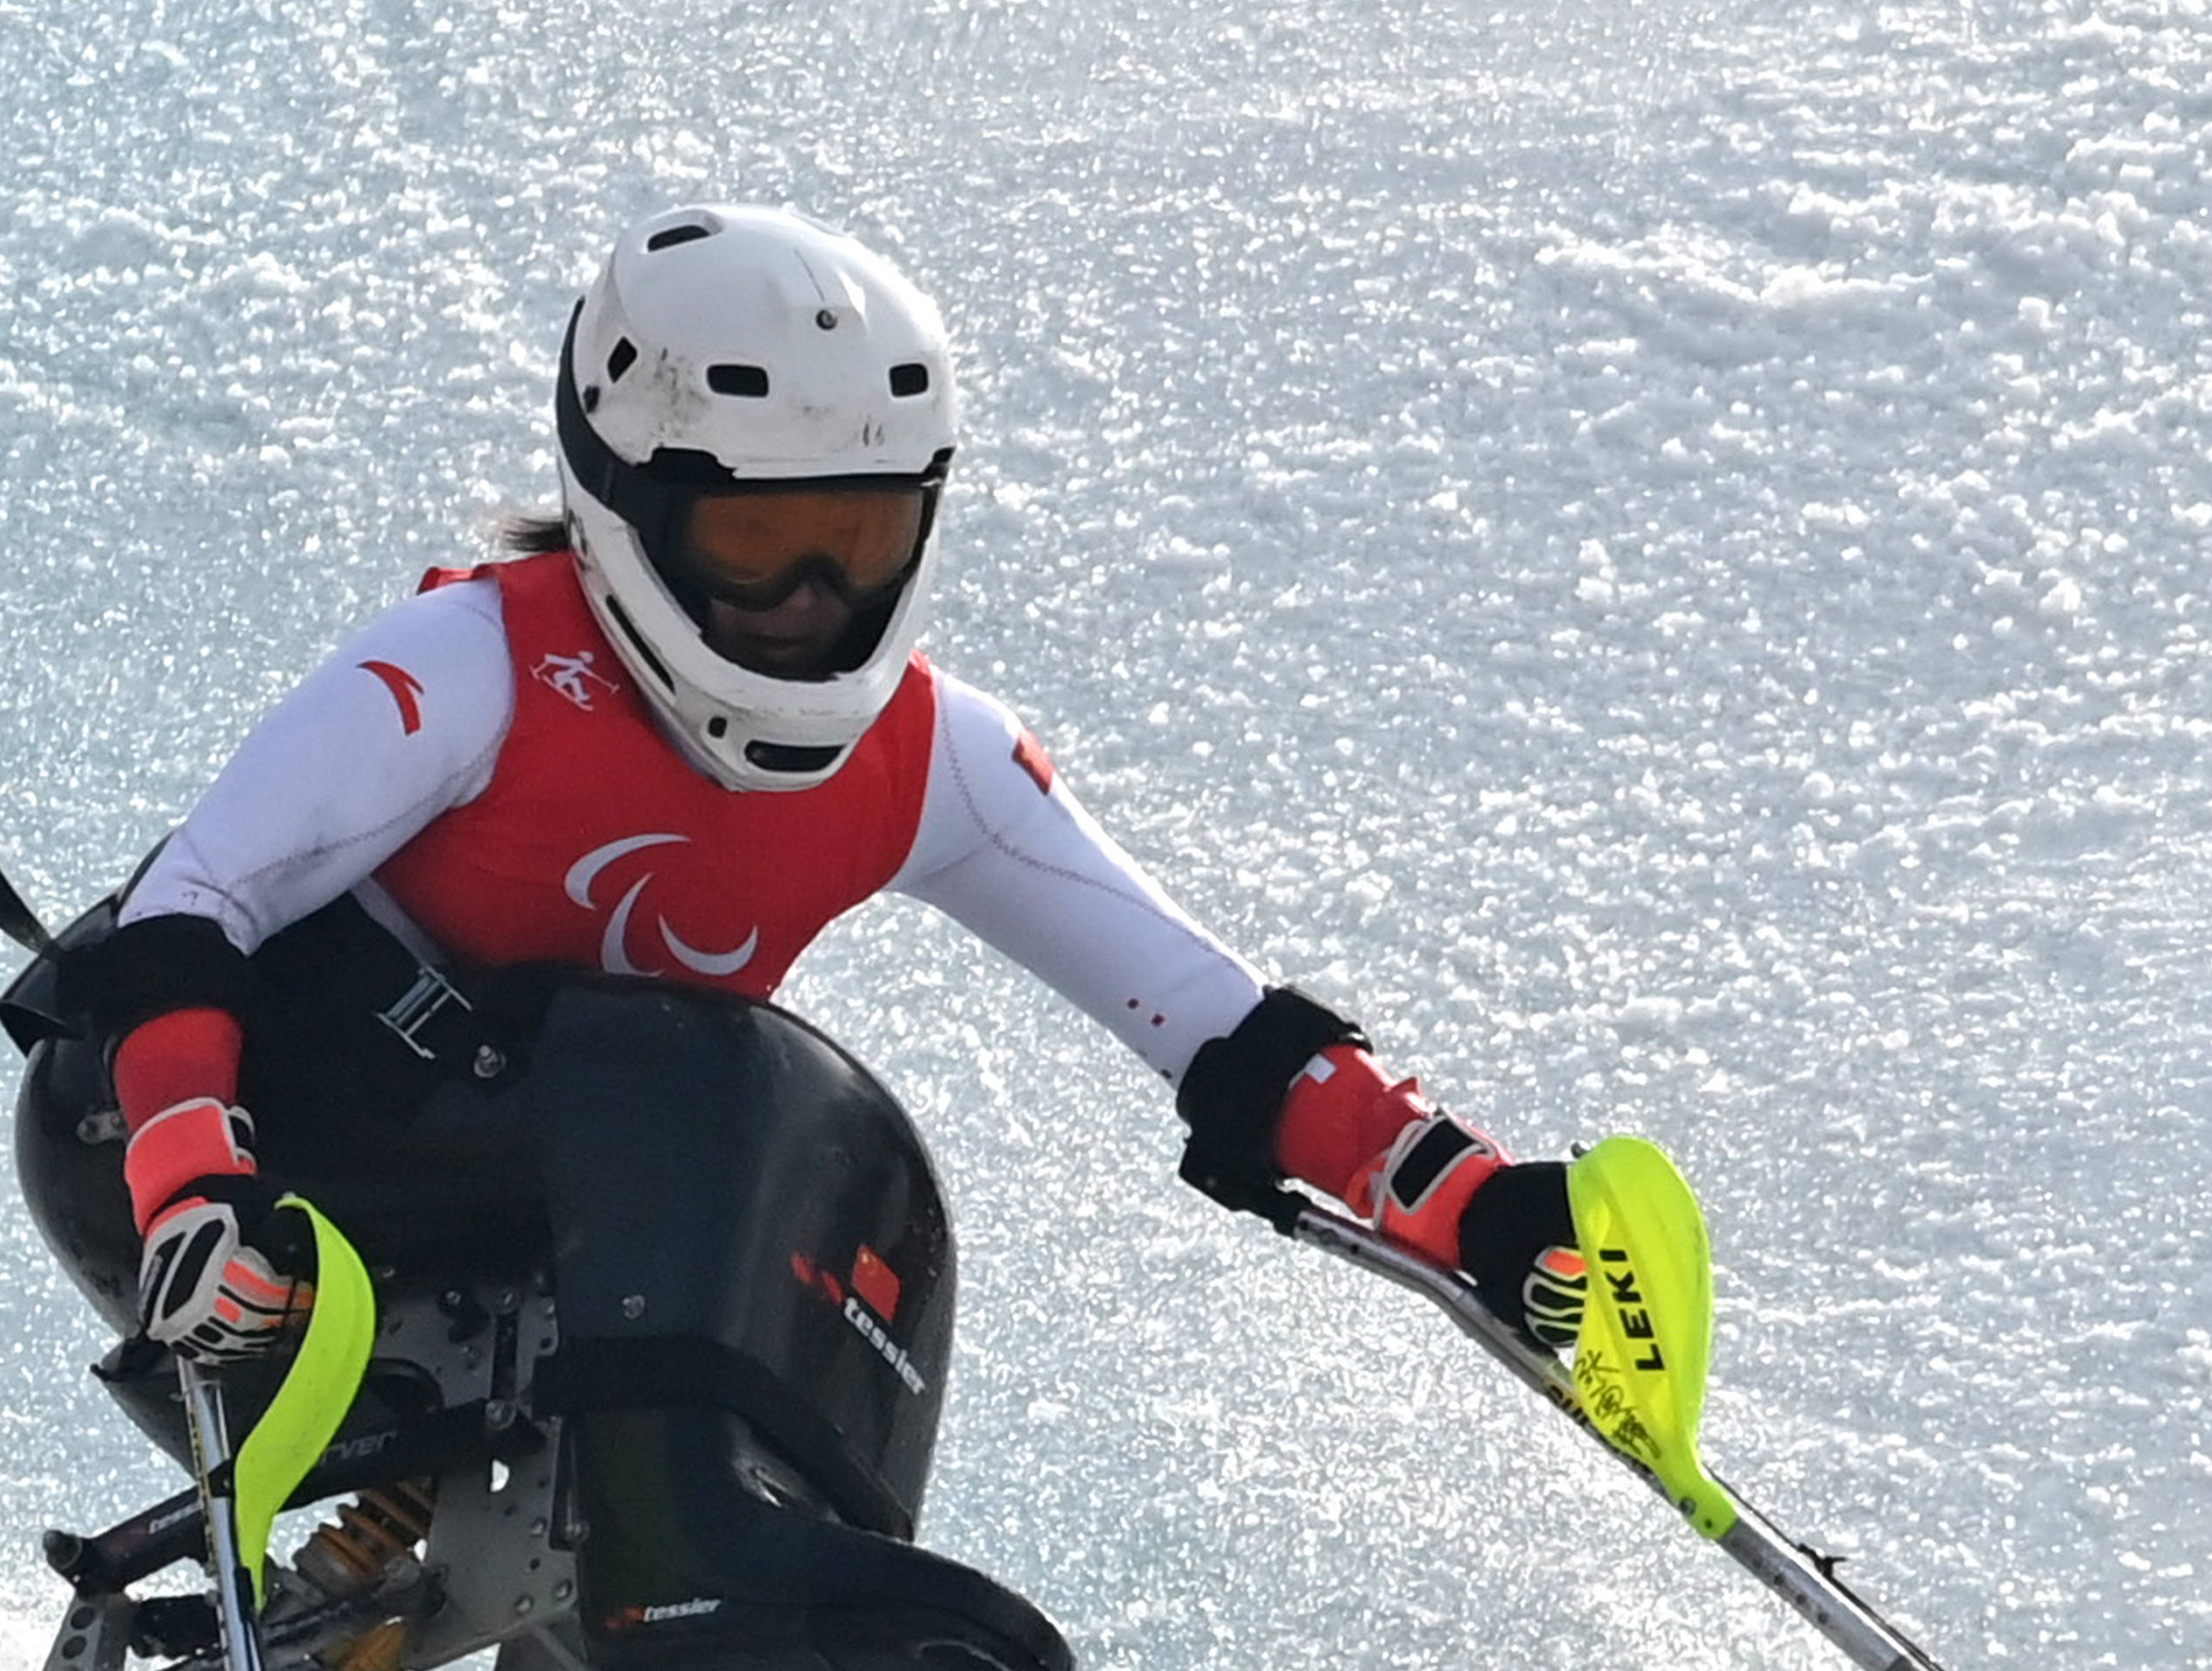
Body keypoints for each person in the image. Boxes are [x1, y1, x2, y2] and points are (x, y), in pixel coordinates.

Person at [77, 202, 1591, 1367]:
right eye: (757, 545)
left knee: (789, 1166)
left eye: (856, 544)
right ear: (626, 502)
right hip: (217, 1145)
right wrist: (188, 1182)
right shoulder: (473, 663)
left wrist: (1462, 1199)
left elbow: (1216, 1020)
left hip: (546, 1230)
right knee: (702, 1106)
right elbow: (191, 901)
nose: (808, 600)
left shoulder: (932, 758)